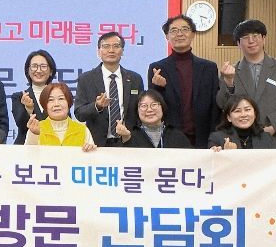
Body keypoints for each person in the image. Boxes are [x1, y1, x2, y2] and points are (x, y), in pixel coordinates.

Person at [23, 83, 94, 247]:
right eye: (51, 100)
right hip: (42, 195)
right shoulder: (37, 126)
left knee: (71, 239)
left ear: (69, 102)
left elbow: (93, 165)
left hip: (74, 196)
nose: (56, 104)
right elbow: (26, 161)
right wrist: (34, 134)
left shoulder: (82, 129)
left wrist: (92, 151)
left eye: (61, 99)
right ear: (44, 105)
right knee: (41, 238)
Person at [217, 19, 276, 149]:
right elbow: (222, 105)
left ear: (264, 39)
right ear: (238, 43)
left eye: (255, 35)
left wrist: (273, 127)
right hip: (241, 142)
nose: (251, 40)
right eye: (245, 37)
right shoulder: (230, 72)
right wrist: (228, 82)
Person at [148, 15, 220, 148]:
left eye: (185, 29)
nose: (179, 34)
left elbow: (215, 107)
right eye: (174, 30)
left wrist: (214, 138)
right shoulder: (157, 68)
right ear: (167, 36)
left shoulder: (209, 68)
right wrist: (159, 88)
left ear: (193, 34)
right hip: (170, 139)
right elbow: (153, 107)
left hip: (203, 139)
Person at [74, 32, 144, 146]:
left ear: (122, 51)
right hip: (96, 144)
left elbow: (140, 112)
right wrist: (97, 106)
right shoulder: (86, 79)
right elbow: (79, 113)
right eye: (106, 46)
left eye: (116, 46)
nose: (111, 50)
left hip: (128, 142)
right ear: (98, 52)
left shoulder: (135, 79)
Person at [115, 90, 191, 148]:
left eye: (154, 105)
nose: (149, 110)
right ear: (137, 111)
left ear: (162, 107)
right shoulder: (130, 135)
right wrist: (126, 139)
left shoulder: (177, 136)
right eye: (144, 106)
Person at [11, 50, 57, 144]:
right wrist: (28, 110)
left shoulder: (59, 97)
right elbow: (21, 125)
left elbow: (65, 123)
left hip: (52, 146)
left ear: (51, 71)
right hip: (25, 147)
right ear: (28, 71)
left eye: (43, 66)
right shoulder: (19, 97)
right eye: (34, 66)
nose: (38, 70)